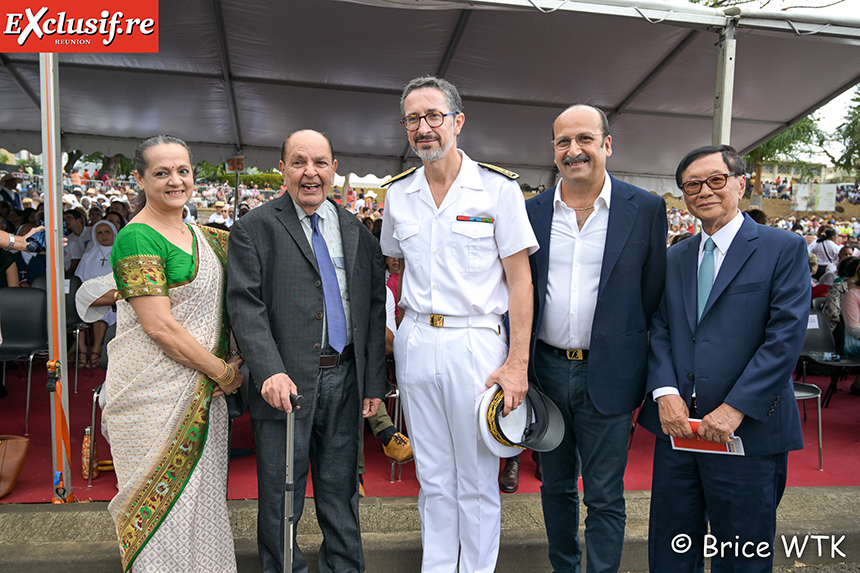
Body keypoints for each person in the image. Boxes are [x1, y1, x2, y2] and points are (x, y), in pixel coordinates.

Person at [379, 75, 538, 573]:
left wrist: (518, 363)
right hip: (418, 339)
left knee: (475, 477)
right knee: (433, 476)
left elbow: (520, 282)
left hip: (476, 341)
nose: (424, 128)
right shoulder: (399, 195)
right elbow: (393, 270)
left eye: (433, 116)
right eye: (412, 119)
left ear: (457, 121)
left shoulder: (497, 189)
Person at [639, 145, 807, 573]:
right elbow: (659, 328)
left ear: (740, 184)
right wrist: (665, 393)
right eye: (692, 184)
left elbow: (784, 339)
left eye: (716, 180)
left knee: (742, 555)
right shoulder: (675, 256)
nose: (704, 191)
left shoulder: (782, 248)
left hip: (746, 431)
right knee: (671, 550)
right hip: (679, 430)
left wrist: (734, 409)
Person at [227, 129, 386, 573]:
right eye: (299, 162)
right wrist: (269, 371)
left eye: (320, 162)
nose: (310, 173)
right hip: (286, 383)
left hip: (346, 379)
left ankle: (343, 567)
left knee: (341, 490)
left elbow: (373, 308)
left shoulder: (356, 229)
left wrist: (374, 381)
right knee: (282, 494)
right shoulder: (253, 229)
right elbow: (246, 307)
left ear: (335, 169)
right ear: (283, 168)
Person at [525, 104, 667, 573]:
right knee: (555, 486)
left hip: (608, 371)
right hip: (544, 371)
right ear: (553, 151)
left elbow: (651, 296)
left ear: (607, 144)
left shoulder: (644, 209)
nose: (574, 150)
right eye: (563, 142)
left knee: (605, 493)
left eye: (584, 139)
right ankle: (564, 567)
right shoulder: (532, 211)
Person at [101, 135, 243, 573]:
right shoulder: (135, 237)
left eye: (182, 170)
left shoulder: (207, 237)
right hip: (151, 399)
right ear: (141, 179)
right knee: (163, 516)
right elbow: (159, 325)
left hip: (204, 398)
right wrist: (222, 372)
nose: (175, 180)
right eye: (161, 172)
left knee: (203, 506)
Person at [74, 220, 117, 368]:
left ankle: (96, 349)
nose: (103, 235)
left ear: (114, 233)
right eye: (99, 232)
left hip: (114, 297)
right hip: (92, 295)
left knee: (103, 313)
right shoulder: (88, 255)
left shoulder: (120, 253)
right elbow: (79, 277)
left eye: (107, 232)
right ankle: (84, 350)